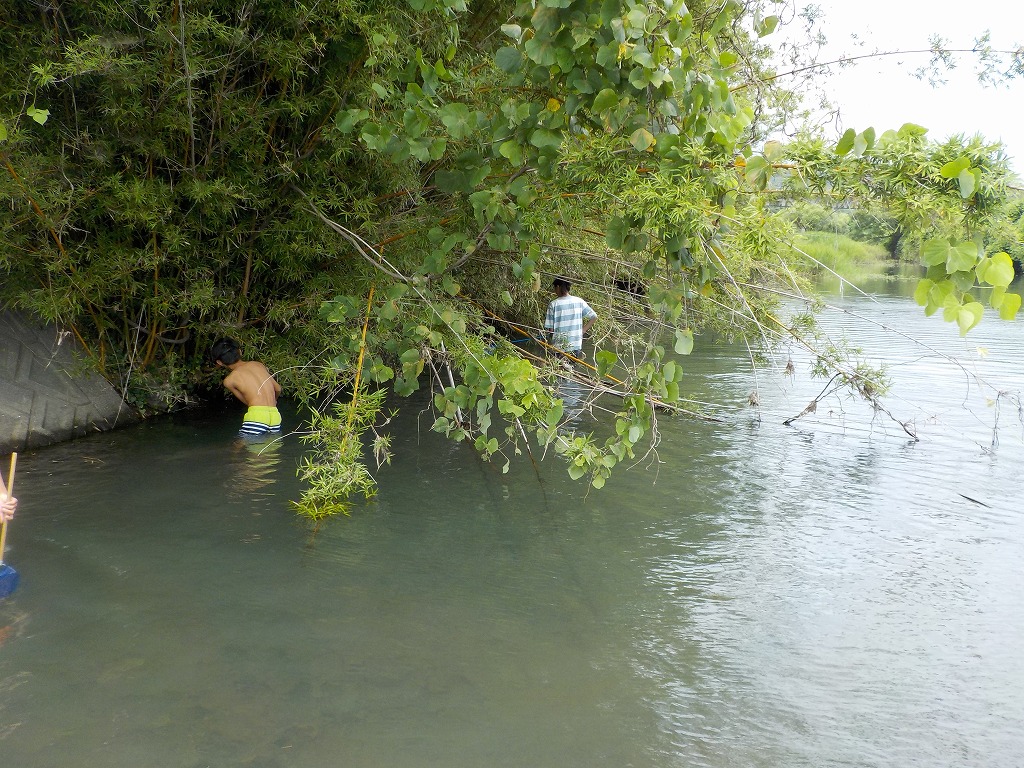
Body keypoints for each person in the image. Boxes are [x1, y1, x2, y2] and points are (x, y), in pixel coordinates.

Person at [210, 338, 283, 437]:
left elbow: (248, 402)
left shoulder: (229, 381)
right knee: (269, 449)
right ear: (240, 351)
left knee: (239, 448)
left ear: (219, 362)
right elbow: (278, 388)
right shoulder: (258, 365)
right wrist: (273, 400)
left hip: (257, 416)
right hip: (275, 415)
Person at [544, 277, 597, 359]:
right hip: (575, 345)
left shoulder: (553, 304)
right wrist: (583, 330)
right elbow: (594, 317)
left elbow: (551, 330)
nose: (555, 291)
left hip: (559, 347)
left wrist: (550, 342)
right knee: (571, 369)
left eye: (555, 288)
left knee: (559, 370)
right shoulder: (579, 301)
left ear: (558, 287)